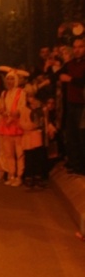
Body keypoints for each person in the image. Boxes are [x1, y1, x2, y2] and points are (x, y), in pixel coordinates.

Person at [59, 37, 85, 175]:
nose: (77, 50)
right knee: (72, 135)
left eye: (80, 47)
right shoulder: (70, 65)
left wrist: (71, 80)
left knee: (82, 136)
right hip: (71, 104)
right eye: (75, 47)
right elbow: (57, 74)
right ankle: (76, 166)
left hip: (82, 105)